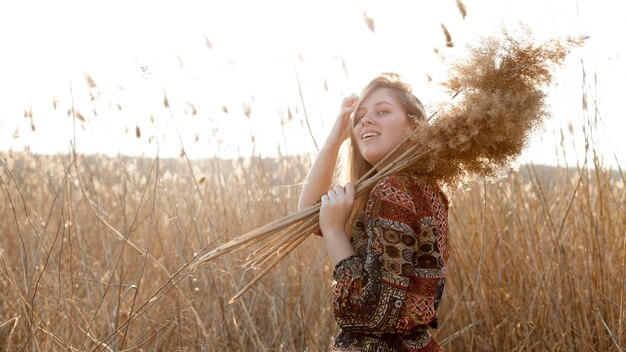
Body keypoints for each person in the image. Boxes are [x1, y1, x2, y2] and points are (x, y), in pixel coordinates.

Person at [298, 73, 449, 351]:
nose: (366, 120)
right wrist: (335, 140)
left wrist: (333, 231)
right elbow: (309, 216)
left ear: (413, 128)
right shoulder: (424, 189)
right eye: (360, 117)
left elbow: (369, 315)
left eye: (383, 111)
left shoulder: (392, 191)